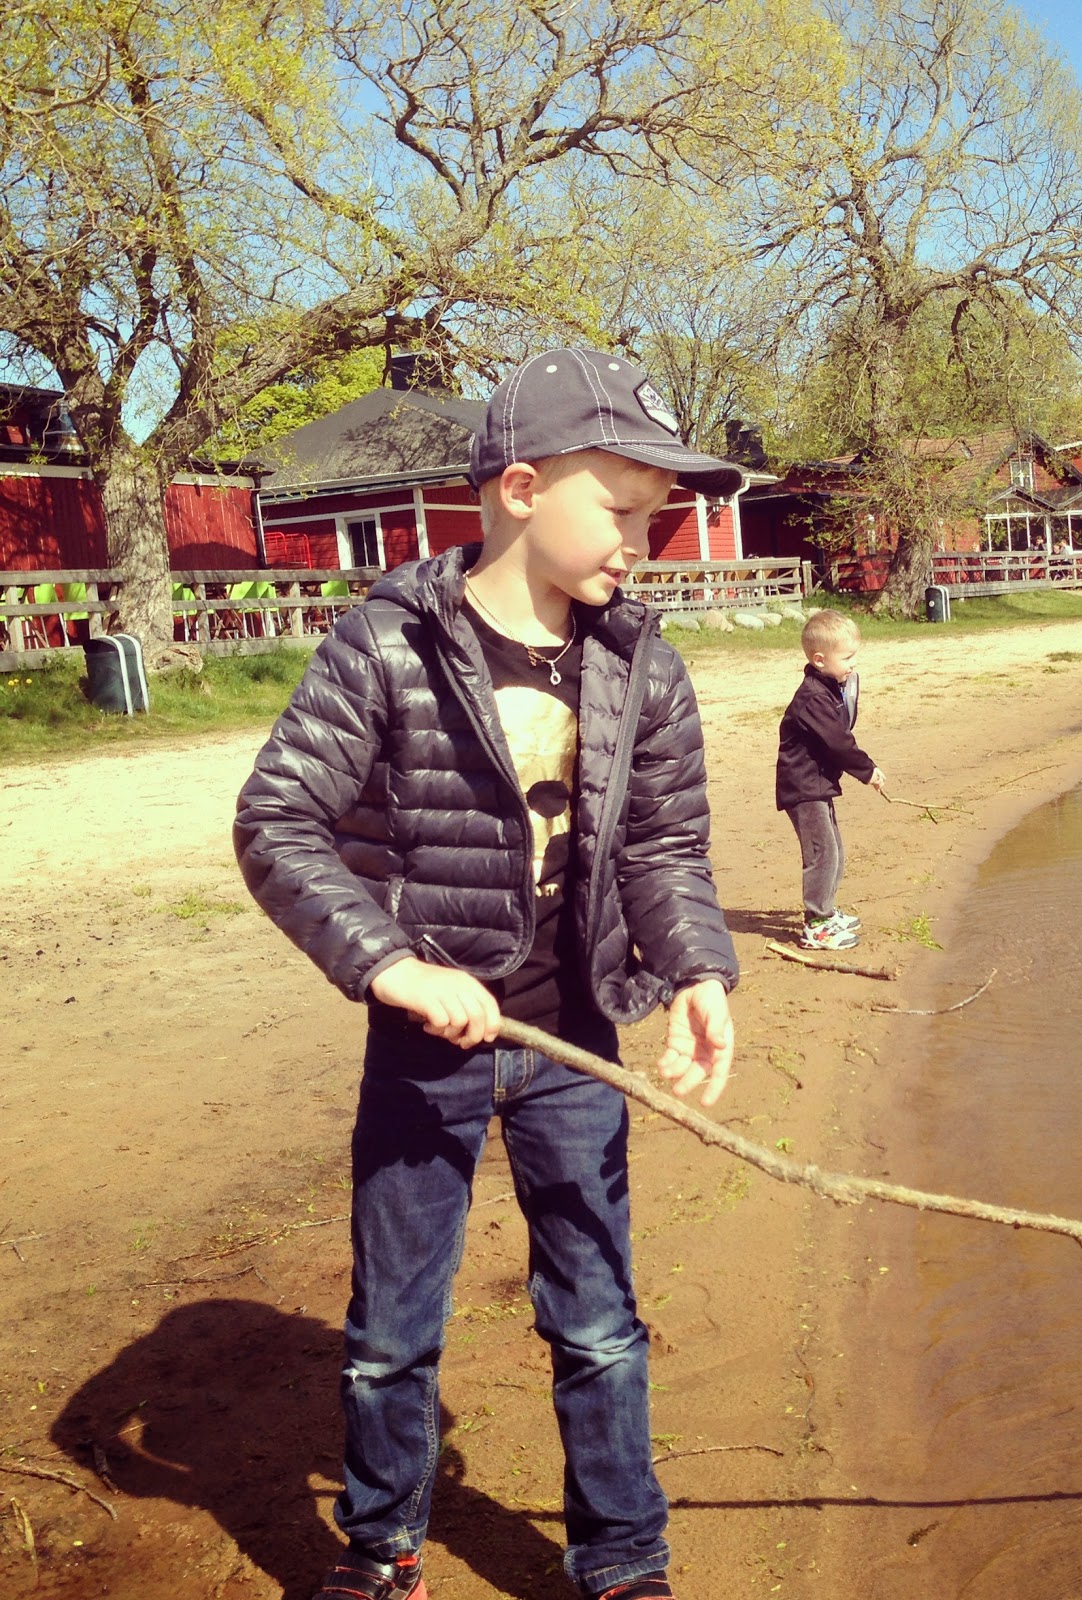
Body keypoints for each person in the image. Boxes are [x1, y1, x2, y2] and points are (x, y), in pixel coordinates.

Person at [234, 348, 744, 1600]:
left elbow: (664, 848)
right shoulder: (386, 641)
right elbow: (277, 823)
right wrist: (391, 966)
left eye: (655, 515)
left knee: (598, 1319)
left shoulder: (643, 662)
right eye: (620, 509)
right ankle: (383, 1548)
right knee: (391, 1331)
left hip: (576, 1041)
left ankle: (621, 1555)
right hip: (427, 1052)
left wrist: (696, 969)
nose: (644, 541)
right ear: (520, 489)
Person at [774, 608, 885, 951]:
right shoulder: (812, 698)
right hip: (803, 788)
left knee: (834, 850)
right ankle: (817, 925)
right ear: (820, 660)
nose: (853, 664)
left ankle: (826, 909)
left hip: (818, 784)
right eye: (847, 657)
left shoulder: (829, 688)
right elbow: (838, 742)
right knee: (821, 854)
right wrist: (867, 770)